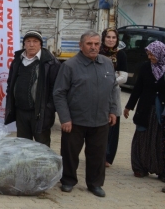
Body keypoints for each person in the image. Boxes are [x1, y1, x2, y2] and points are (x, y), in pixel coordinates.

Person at [53, 30, 118, 198]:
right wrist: (65, 118)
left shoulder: (107, 63)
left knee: (97, 155)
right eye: (89, 44)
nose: (93, 47)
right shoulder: (70, 66)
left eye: (96, 44)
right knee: (70, 153)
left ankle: (95, 184)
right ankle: (68, 180)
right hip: (75, 121)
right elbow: (59, 93)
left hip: (101, 120)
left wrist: (113, 110)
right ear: (81, 46)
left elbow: (113, 88)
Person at [4, 30, 60, 147]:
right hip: (21, 112)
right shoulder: (17, 60)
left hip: (40, 114)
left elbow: (56, 89)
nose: (31, 44)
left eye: (35, 41)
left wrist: (48, 109)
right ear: (24, 44)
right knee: (23, 146)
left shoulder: (50, 63)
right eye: (28, 41)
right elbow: (10, 83)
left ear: (40, 44)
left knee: (42, 147)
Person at [123, 40, 165, 181]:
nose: (150, 57)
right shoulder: (145, 67)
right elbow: (138, 88)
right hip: (145, 109)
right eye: (148, 54)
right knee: (142, 138)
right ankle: (140, 168)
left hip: (161, 111)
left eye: (152, 54)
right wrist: (129, 106)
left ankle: (161, 170)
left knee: (160, 139)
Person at [100, 28, 128, 167]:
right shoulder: (98, 52)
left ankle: (108, 157)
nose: (111, 40)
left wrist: (109, 81)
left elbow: (124, 77)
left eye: (114, 37)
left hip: (113, 92)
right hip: (97, 92)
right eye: (108, 37)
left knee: (113, 125)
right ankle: (97, 154)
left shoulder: (120, 54)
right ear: (103, 38)